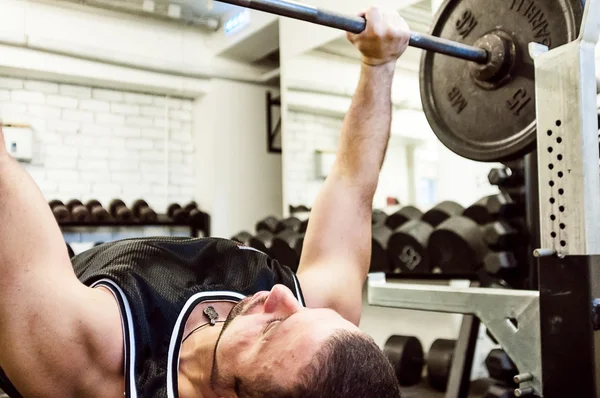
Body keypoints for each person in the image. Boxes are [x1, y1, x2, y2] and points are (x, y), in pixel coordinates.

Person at [0, 6, 411, 398]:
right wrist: (380, 65)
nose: (283, 298)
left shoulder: (89, 354)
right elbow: (353, 184)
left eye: (272, 330)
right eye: (305, 315)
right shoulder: (317, 337)